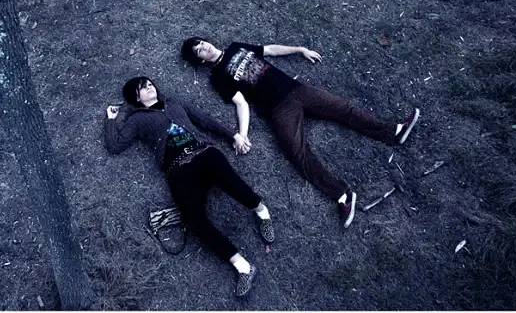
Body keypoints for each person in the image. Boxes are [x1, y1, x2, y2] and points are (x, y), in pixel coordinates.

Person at [181, 38, 420, 229]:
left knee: (344, 109)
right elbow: (241, 103)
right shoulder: (218, 78)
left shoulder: (236, 47)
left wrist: (299, 50)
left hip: (298, 90)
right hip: (278, 109)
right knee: (297, 153)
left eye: (201, 42)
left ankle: (393, 132)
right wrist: (242, 134)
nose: (204, 47)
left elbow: (269, 50)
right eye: (199, 50)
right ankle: (342, 196)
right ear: (200, 60)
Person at [104, 76, 275, 297]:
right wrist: (111, 119)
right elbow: (115, 145)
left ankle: (262, 211)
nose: (149, 86)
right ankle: (243, 266)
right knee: (195, 220)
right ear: (136, 97)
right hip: (177, 170)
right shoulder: (137, 120)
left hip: (204, 153)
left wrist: (234, 135)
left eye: (149, 83)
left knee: (235, 186)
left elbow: (204, 119)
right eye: (143, 87)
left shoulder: (174, 103)